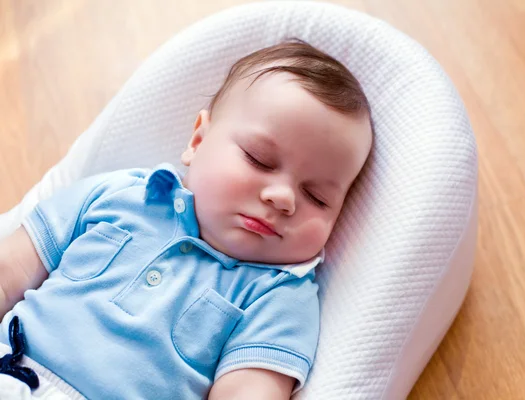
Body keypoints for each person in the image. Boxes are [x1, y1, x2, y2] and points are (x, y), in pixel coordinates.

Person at [0, 38, 373, 399]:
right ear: (197, 141)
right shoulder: (118, 195)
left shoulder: (279, 294)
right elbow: (10, 270)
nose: (283, 198)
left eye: (317, 197)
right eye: (260, 160)